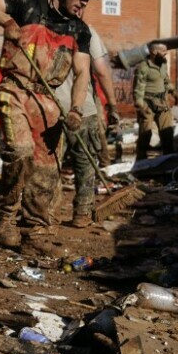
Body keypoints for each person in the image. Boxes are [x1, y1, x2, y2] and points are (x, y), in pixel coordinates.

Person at [0, 0, 111, 254]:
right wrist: (7, 22)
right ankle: (6, 218)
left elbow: (83, 72)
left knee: (47, 171)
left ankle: (35, 232)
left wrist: (74, 109)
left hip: (48, 103)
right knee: (20, 153)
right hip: (16, 91)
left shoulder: (80, 30)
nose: (84, 4)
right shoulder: (28, 6)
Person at [53, 24, 120, 227]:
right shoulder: (86, 30)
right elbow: (101, 70)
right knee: (85, 164)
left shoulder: (41, 24)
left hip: (48, 107)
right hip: (82, 108)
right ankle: (82, 213)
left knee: (49, 165)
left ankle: (45, 213)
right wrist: (112, 105)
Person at [133, 43, 174, 160]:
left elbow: (166, 79)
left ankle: (169, 159)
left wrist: (172, 91)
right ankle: (141, 160)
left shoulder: (163, 64)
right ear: (154, 52)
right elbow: (138, 88)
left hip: (162, 103)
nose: (166, 53)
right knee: (145, 134)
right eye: (163, 50)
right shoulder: (144, 67)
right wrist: (141, 106)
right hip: (147, 104)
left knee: (167, 133)